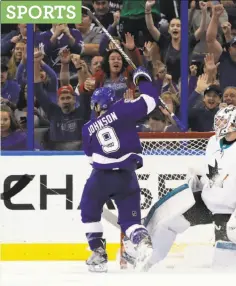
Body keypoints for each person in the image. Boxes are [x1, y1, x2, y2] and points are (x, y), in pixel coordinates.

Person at [124, 105, 236, 270]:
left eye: (223, 121)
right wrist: (200, 178)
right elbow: (215, 173)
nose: (218, 124)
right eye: (218, 120)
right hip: (207, 202)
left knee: (227, 266)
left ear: (235, 123)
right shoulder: (213, 142)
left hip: (229, 212)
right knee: (168, 223)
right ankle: (147, 261)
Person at [80, 67, 159, 273]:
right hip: (127, 176)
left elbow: (90, 158)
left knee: (89, 211)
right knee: (131, 220)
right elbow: (151, 100)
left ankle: (98, 253)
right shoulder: (123, 108)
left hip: (101, 178)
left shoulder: (87, 127)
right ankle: (141, 242)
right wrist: (142, 78)